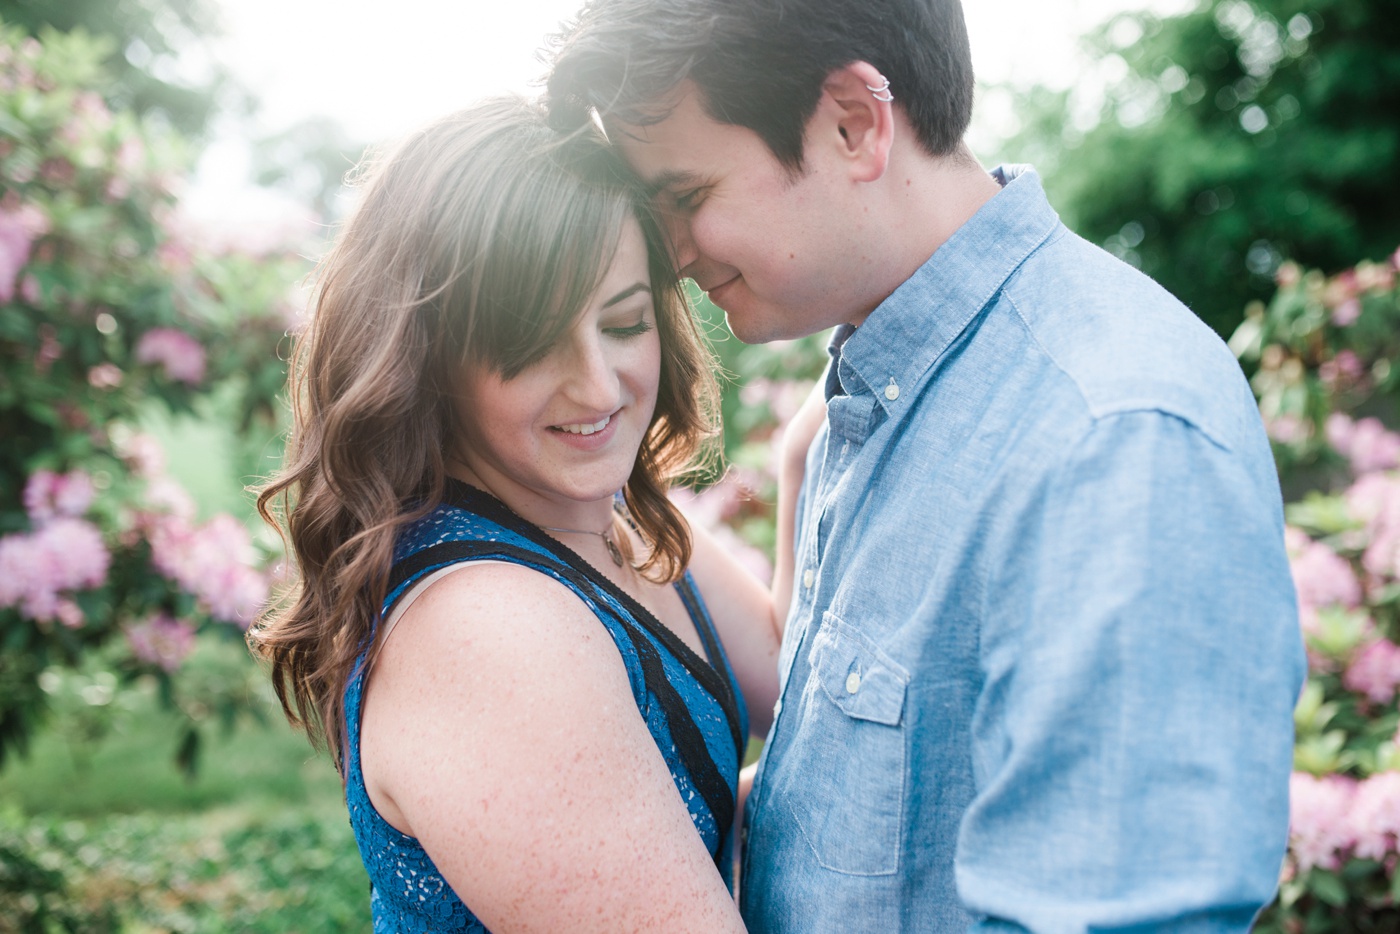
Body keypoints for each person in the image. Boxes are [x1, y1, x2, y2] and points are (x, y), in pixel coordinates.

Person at [544, 1, 1308, 930]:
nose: (666, 256)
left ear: (852, 123)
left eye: (686, 198)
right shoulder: (885, 388)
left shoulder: (1110, 437)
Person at [249, 96, 790, 932]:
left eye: (624, 322)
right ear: (429, 358)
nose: (600, 388)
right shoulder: (484, 629)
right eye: (534, 344)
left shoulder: (611, 522)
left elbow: (801, 692)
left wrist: (803, 457)